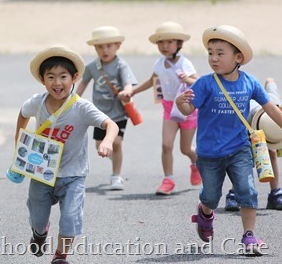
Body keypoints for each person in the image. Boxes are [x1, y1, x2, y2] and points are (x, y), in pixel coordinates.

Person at [176, 25, 282, 255]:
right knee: (212, 197)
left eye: (220, 53)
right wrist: (180, 102)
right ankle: (205, 212)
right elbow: (187, 109)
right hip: (209, 153)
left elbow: (270, 109)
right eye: (210, 53)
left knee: (247, 190)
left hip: (240, 149)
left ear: (238, 57)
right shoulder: (204, 83)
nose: (213, 58)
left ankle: (249, 236)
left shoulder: (250, 83)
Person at [16, 44, 118, 264]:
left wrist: (107, 141)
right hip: (41, 172)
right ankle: (40, 233)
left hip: (74, 173)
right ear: (43, 80)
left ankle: (60, 256)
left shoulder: (81, 107)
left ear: (75, 78)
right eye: (50, 77)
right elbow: (23, 114)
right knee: (38, 218)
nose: (57, 82)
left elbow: (111, 124)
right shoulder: (37, 102)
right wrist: (19, 144)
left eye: (63, 76)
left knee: (70, 217)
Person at [132, 21, 201, 195]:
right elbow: (152, 81)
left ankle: (195, 164)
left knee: (185, 149)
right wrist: (133, 91)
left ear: (179, 44)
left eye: (169, 42)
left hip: (187, 109)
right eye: (160, 42)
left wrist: (188, 79)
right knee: (166, 145)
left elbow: (199, 83)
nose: (164, 46)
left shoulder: (185, 63)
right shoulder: (159, 64)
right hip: (169, 109)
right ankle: (168, 180)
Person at [76, 26, 138, 190]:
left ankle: (116, 176)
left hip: (118, 112)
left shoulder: (121, 65)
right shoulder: (92, 67)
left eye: (109, 46)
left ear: (118, 45)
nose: (105, 50)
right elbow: (83, 82)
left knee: (115, 142)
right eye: (100, 47)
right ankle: (117, 159)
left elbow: (128, 82)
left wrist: (127, 91)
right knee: (99, 145)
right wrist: (73, 99)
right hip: (99, 113)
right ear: (95, 48)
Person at [224, 77, 282, 211]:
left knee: (271, 153)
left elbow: (269, 80)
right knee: (244, 157)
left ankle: (275, 193)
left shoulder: (275, 101)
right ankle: (234, 193)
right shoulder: (247, 109)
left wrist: (268, 82)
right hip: (247, 125)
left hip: (269, 124)